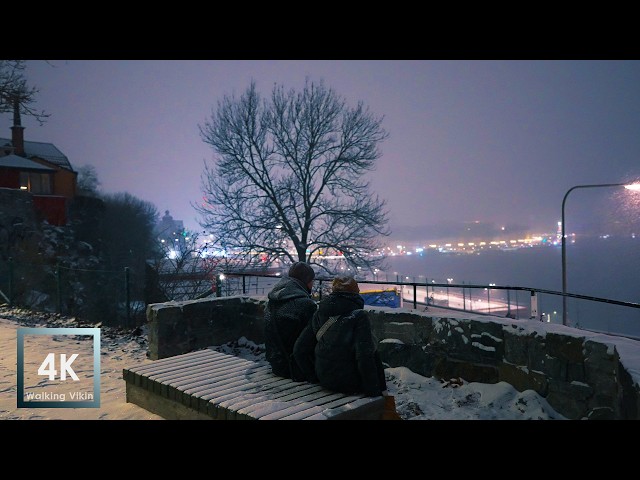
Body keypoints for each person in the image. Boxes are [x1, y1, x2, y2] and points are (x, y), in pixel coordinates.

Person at [293, 275, 401, 420]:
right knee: (372, 350)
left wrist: (315, 377)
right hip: (349, 383)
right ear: (355, 292)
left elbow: (299, 349)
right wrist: (374, 394)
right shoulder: (358, 316)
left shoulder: (320, 312)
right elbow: (364, 357)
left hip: (324, 378)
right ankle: (384, 401)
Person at [264, 261, 317, 381]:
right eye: (312, 280)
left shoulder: (273, 300)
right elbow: (312, 340)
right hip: (295, 370)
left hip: (276, 364)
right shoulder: (305, 304)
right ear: (307, 281)